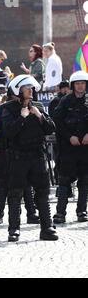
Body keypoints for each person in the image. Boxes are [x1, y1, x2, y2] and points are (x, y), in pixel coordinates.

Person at [1, 74, 58, 242]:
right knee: (15, 193)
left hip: (37, 155)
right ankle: (14, 229)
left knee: (42, 192)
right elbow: (9, 132)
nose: (31, 90)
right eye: (28, 88)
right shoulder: (8, 109)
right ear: (19, 90)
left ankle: (46, 228)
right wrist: (22, 117)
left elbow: (50, 128)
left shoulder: (38, 106)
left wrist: (39, 115)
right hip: (18, 157)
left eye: (32, 88)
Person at [0, 87, 40, 225]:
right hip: (6, 150)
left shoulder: (32, 107)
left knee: (26, 183)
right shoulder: (5, 108)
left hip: (24, 151)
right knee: (4, 182)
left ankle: (31, 213)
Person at [52, 71, 88, 224]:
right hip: (68, 148)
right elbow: (57, 122)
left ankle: (82, 211)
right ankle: (60, 213)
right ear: (73, 85)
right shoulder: (65, 101)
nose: (80, 86)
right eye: (77, 83)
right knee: (64, 181)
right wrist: (69, 137)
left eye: (83, 83)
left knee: (84, 181)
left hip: (85, 148)